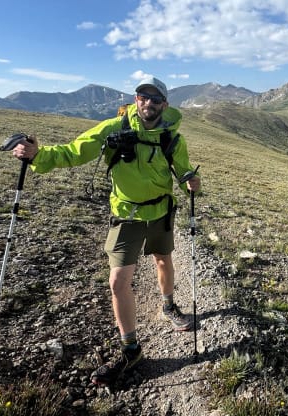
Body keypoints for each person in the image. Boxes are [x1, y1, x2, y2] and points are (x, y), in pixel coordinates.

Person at [10, 76, 201, 385]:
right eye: (143, 97)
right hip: (126, 214)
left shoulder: (172, 138)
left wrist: (191, 181)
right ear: (136, 99)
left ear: (164, 105)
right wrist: (39, 156)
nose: (148, 103)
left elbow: (182, 169)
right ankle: (131, 348)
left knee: (163, 260)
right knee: (117, 281)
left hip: (161, 209)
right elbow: (75, 151)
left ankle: (169, 305)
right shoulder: (115, 128)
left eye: (155, 99)